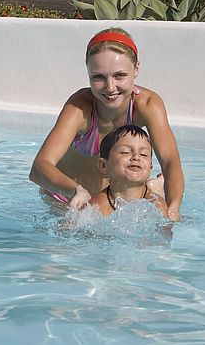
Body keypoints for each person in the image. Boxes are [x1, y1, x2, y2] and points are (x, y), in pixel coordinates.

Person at [29, 26, 184, 220]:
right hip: (70, 199)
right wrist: (74, 190)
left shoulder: (147, 105)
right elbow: (38, 168)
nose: (110, 88)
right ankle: (150, 187)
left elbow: (170, 162)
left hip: (115, 199)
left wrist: (174, 207)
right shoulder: (79, 109)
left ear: (136, 69)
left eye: (119, 76)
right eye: (98, 77)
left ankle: (148, 188)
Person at [89, 124, 168, 217]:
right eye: (125, 152)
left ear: (150, 166)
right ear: (104, 166)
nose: (136, 157)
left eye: (144, 154)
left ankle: (156, 185)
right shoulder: (97, 207)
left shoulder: (156, 204)